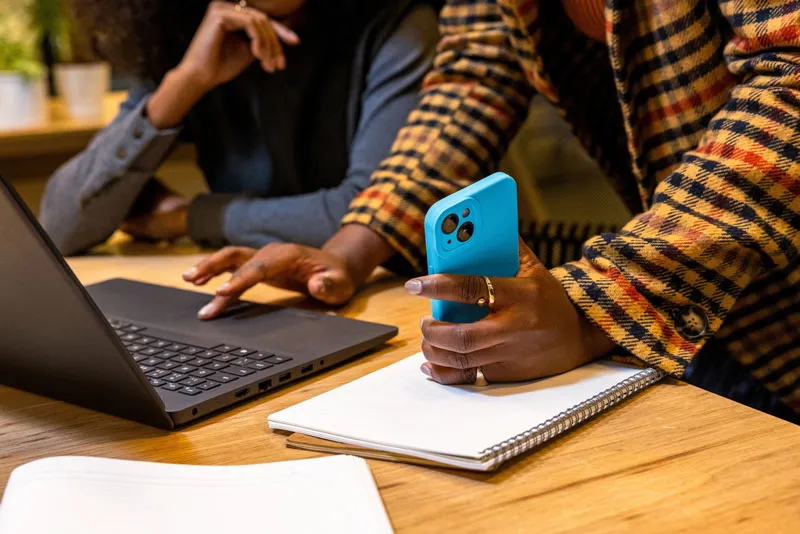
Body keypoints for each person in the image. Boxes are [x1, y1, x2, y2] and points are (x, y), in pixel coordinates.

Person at [185, 0, 800, 422]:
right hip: (704, 313)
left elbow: (791, 84)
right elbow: (473, 77)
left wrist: (594, 305)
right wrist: (350, 247)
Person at [40, 0, 439, 256]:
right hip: (252, 297)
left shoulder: (400, 25)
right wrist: (185, 84)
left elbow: (368, 214)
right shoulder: (188, 36)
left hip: (388, 306)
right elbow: (60, 227)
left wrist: (187, 218)